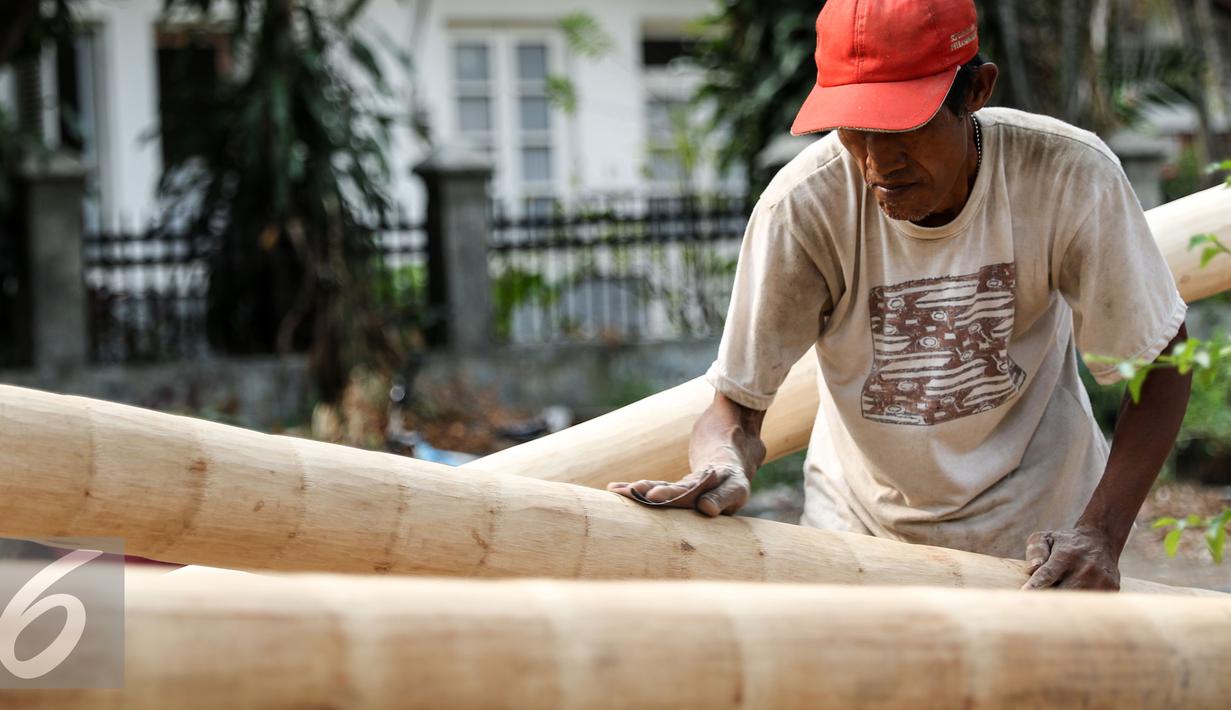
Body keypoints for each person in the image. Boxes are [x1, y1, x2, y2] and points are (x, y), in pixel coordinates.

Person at [609, 0, 1192, 591]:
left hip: (1039, 542)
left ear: (977, 92)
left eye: (901, 126)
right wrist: (722, 464)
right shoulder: (805, 207)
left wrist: (1100, 533)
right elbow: (734, 410)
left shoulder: (1067, 175)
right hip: (859, 544)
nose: (876, 160)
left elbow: (1162, 361)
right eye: (854, 129)